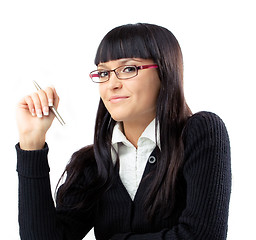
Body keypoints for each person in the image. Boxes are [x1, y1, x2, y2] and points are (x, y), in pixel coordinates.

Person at [15, 23, 231, 240]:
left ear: (165, 70)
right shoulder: (92, 163)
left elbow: (203, 236)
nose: (112, 84)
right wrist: (31, 143)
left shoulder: (200, 133)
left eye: (128, 69)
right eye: (103, 72)